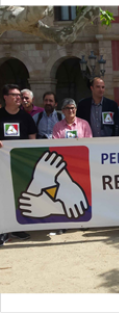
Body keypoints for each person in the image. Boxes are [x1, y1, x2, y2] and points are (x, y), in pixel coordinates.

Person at [0, 84, 38, 244]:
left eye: (20, 95)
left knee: (17, 195)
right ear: (5, 97)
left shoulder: (25, 117)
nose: (19, 98)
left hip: (19, 165)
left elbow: (32, 139)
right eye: (15, 95)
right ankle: (2, 229)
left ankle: (15, 227)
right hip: (1, 164)